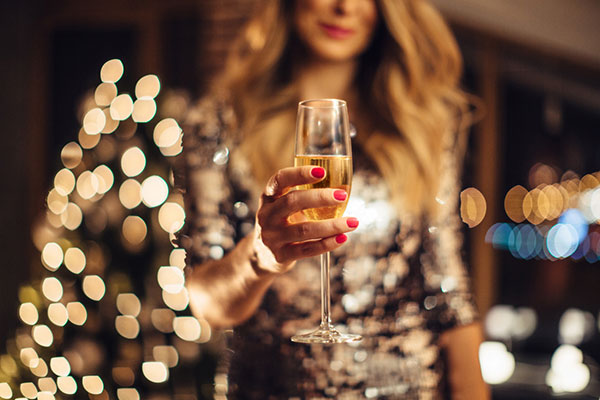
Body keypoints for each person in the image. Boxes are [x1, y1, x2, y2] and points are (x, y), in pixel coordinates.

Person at [176, 0, 490, 398]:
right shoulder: (219, 122)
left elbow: (449, 291)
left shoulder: (421, 122)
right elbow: (208, 306)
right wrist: (258, 257)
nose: (345, 8)